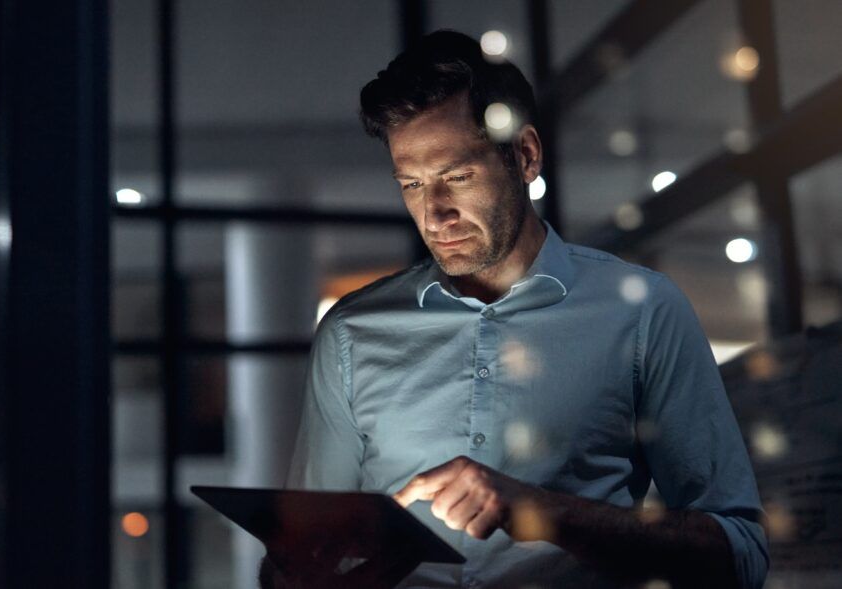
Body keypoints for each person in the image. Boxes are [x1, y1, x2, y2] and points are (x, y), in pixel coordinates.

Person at [276, 30, 768, 588]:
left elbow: (739, 556)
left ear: (526, 155)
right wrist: (293, 567)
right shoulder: (350, 333)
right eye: (411, 184)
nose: (434, 213)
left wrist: (544, 513)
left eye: (457, 177)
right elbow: (297, 560)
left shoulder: (643, 312)